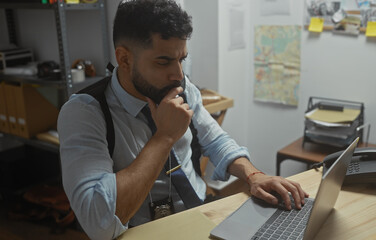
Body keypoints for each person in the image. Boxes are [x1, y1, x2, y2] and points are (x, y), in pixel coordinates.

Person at [57, 0, 309, 239]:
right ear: (124, 58)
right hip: (140, 230)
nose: (178, 74)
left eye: (181, 59)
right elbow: (97, 223)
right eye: (163, 61)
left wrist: (254, 176)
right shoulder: (84, 113)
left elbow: (215, 140)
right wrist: (164, 137)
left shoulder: (182, 87)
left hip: (200, 210)